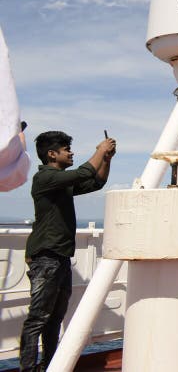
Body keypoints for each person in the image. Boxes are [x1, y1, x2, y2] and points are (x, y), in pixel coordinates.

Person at [19, 131, 116, 372]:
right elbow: (84, 172)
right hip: (46, 256)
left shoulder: (60, 183)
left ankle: (48, 366)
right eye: (66, 149)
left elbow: (96, 182)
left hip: (59, 257)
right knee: (38, 318)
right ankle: (28, 369)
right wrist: (100, 150)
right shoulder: (45, 178)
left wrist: (106, 160)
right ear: (52, 154)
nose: (71, 153)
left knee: (53, 319)